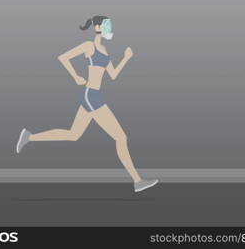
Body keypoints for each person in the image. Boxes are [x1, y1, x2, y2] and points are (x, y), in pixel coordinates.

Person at [16, 15, 158, 192]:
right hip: (92, 96)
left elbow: (112, 75)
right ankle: (137, 181)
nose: (109, 28)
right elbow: (63, 58)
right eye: (106, 25)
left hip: (94, 95)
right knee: (121, 137)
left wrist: (125, 58)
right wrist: (76, 76)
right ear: (97, 27)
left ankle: (29, 137)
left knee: (73, 134)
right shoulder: (89, 46)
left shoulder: (105, 51)